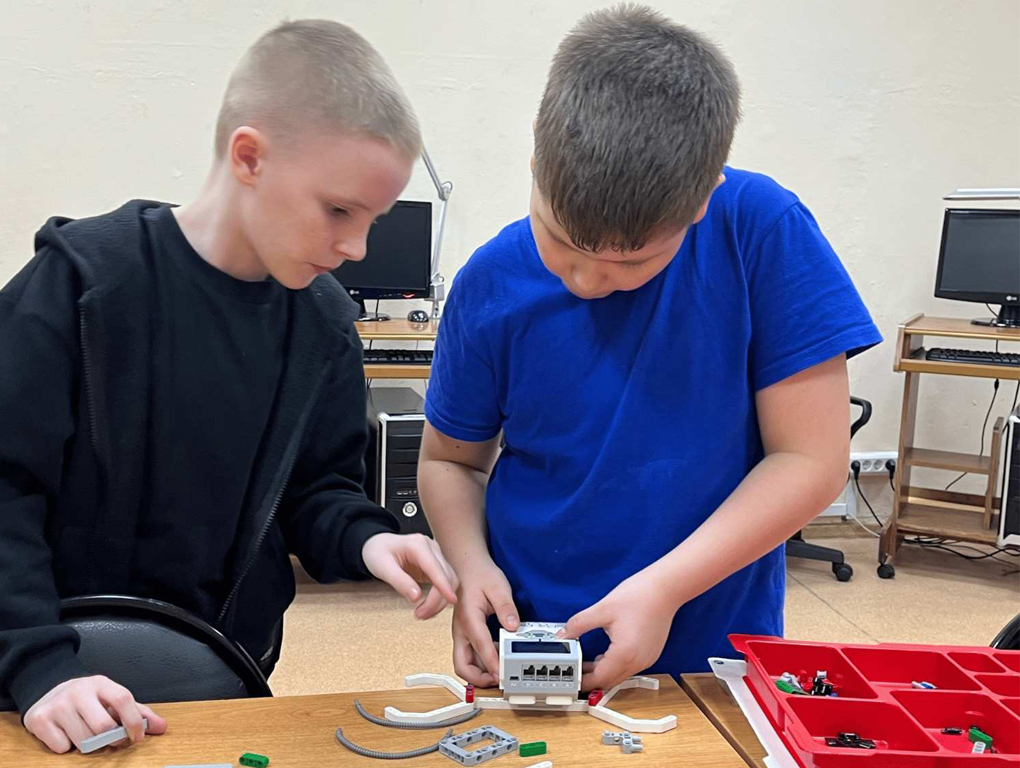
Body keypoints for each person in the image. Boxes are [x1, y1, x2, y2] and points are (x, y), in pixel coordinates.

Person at [0, 19, 458, 754]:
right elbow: (5, 487)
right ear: (250, 157)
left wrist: (369, 538)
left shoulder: (324, 326)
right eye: (339, 210)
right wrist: (39, 667)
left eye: (373, 220)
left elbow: (316, 489)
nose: (356, 247)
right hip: (49, 682)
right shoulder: (84, 284)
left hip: (219, 672)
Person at [418, 5, 882, 695]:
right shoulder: (489, 282)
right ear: (536, 164)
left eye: (631, 262)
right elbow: (449, 461)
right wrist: (470, 566)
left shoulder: (760, 231)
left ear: (702, 201)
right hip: (529, 640)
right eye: (561, 241)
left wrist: (664, 589)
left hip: (711, 650)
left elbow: (811, 460)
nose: (586, 280)